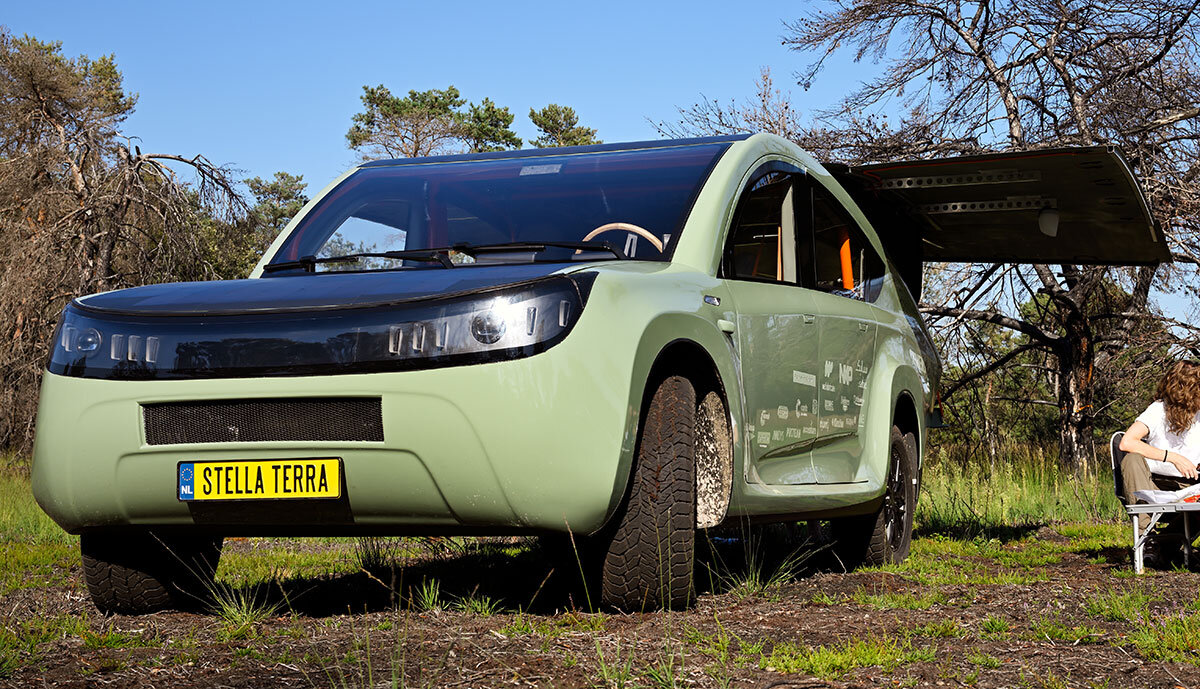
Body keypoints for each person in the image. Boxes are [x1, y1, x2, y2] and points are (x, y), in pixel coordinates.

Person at [1120, 360, 1200, 564]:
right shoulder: (1158, 411)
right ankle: (1146, 539)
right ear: (1185, 388)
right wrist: (1172, 457)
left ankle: (1164, 545)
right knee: (1131, 459)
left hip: (1190, 485)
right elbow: (1126, 442)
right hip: (1154, 482)